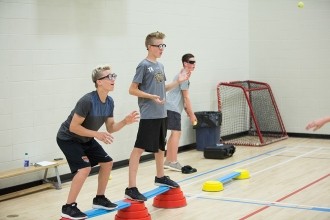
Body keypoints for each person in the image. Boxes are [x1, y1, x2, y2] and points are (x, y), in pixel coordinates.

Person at [56, 65, 139, 219]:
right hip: (68, 138)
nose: (113, 79)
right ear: (99, 82)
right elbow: (74, 127)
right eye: (109, 77)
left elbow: (111, 128)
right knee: (84, 168)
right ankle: (68, 207)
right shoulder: (87, 101)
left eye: (113, 76)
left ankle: (99, 198)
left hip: (86, 138)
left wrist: (125, 122)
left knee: (107, 162)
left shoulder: (109, 102)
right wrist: (97, 134)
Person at [125, 31, 188, 201]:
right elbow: (132, 89)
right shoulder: (143, 65)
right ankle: (131, 187)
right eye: (159, 46)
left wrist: (178, 82)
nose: (162, 49)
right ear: (149, 46)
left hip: (162, 113)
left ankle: (160, 177)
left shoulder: (160, 66)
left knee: (160, 148)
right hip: (149, 115)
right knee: (138, 149)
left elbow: (163, 89)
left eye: (163, 45)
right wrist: (150, 96)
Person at [164, 53, 197, 172]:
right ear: (185, 63)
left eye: (194, 62)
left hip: (172, 107)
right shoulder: (184, 77)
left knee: (175, 134)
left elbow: (182, 98)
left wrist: (187, 111)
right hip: (172, 107)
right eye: (191, 62)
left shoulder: (183, 75)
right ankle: (172, 161)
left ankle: (169, 161)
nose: (193, 64)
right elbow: (187, 98)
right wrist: (192, 115)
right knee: (176, 133)